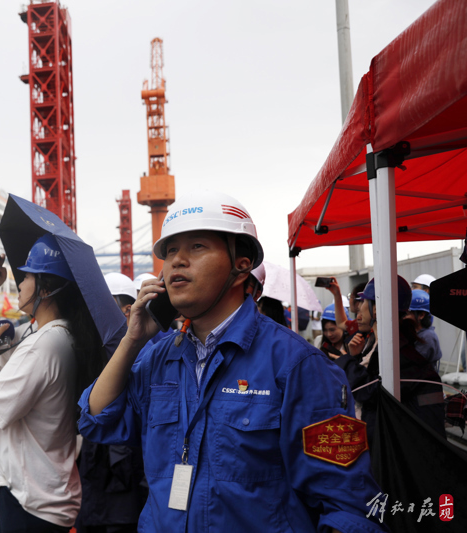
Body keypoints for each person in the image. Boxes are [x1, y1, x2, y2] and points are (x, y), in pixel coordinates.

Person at [78, 190, 385, 532]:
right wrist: (132, 341)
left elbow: (348, 503)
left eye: (196, 247)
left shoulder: (297, 365)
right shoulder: (157, 357)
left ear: (241, 266)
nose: (177, 261)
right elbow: (96, 421)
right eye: (171, 251)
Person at [0, 235, 106, 532]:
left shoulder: (44, 345)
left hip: (29, 503)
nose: (20, 283)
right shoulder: (60, 336)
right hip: (39, 499)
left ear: (46, 288)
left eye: (28, 276)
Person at [336, 277, 446, 445]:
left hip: (400, 452)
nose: (358, 310)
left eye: (363, 302)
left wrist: (347, 361)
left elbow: (370, 392)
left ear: (376, 309)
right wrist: (355, 357)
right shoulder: (379, 343)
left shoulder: (396, 350)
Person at [76, 273, 147, 533]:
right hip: (93, 475)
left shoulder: (144, 352)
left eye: (104, 305)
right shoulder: (92, 349)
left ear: (127, 309)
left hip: (124, 477)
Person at [407, 289, 443, 371]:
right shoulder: (414, 333)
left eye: (407, 313)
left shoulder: (427, 337)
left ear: (421, 315)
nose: (403, 317)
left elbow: (410, 366)